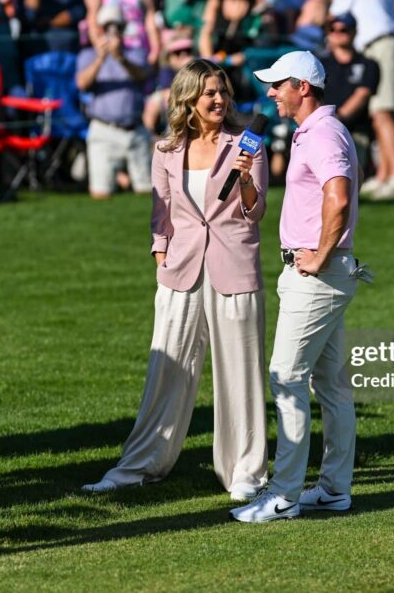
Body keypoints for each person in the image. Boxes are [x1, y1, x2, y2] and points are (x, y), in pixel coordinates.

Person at [82, 59, 269, 500]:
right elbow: (160, 211)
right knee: (166, 370)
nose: (219, 99)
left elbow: (255, 211)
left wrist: (244, 177)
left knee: (240, 374)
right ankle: (139, 465)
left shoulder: (248, 145)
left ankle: (245, 472)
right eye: (209, 93)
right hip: (179, 270)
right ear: (188, 99)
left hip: (234, 268)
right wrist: (160, 253)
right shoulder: (166, 150)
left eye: (223, 91)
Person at [232, 51, 364, 523]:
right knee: (330, 385)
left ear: (302, 87)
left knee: (286, 377)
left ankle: (284, 494)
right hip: (324, 271)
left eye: (277, 85)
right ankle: (333, 489)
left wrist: (321, 254)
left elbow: (339, 195)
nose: (270, 93)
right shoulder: (316, 131)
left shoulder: (323, 133)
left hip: (318, 274)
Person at [330, 0, 394, 200]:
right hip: (384, 46)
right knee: (378, 112)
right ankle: (385, 175)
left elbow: (336, 13)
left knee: (382, 112)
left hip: (380, 46)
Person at [76, 5, 153, 199]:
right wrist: (101, 58)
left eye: (117, 27)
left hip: (136, 131)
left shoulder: (135, 53)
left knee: (147, 192)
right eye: (107, 27)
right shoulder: (87, 55)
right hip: (104, 131)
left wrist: (120, 58)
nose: (112, 32)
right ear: (98, 29)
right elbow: (82, 84)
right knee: (101, 195)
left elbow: (143, 76)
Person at [318, 13, 379, 174]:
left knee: (352, 177)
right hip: (322, 128)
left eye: (343, 29)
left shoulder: (368, 64)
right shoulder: (319, 64)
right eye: (332, 29)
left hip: (354, 129)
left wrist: (338, 118)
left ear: (354, 32)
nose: (337, 33)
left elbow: (362, 94)